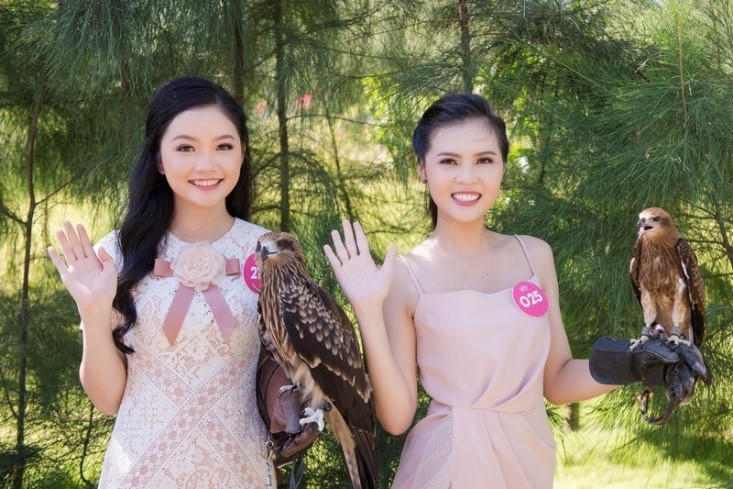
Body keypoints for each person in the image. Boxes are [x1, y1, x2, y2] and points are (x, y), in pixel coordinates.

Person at [323, 93, 698, 488]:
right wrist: (367, 310)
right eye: (449, 161)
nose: (467, 177)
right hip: (449, 466)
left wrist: (633, 362)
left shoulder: (534, 256)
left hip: (528, 461)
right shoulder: (404, 276)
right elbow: (397, 418)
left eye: (484, 160)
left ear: (502, 166)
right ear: (422, 168)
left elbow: (556, 380)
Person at [48, 76, 313, 488]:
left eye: (223, 146)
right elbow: (108, 400)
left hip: (241, 472)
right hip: (140, 474)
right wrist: (94, 312)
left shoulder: (270, 252)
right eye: (186, 147)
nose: (206, 164)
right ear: (158, 158)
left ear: (242, 153)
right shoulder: (116, 255)